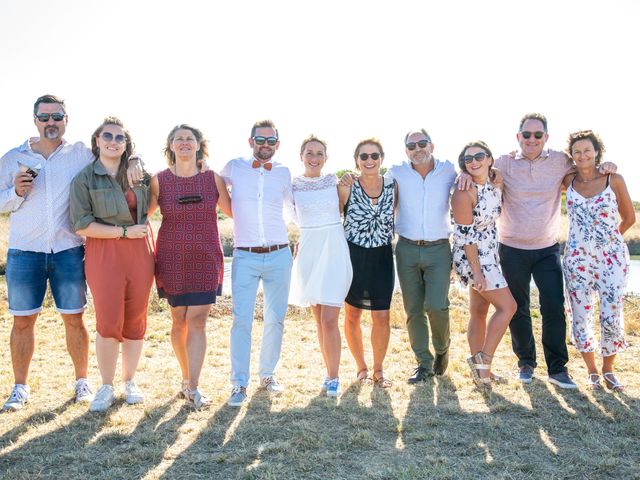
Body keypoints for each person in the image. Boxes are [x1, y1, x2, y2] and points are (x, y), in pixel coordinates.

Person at [474, 112, 617, 388]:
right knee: (518, 308)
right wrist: (466, 178)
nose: (532, 139)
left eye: (538, 135)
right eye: (526, 135)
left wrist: (605, 165)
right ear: (519, 137)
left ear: (546, 138)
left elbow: (586, 172)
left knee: (553, 305)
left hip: (547, 249)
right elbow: (480, 172)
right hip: (511, 247)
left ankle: (557, 369)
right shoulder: (503, 162)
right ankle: (525, 363)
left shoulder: (560, 161)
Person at [0, 94, 97, 411]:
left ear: (67, 119)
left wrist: (135, 161)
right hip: (24, 251)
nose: (51, 123)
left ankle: (82, 383)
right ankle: (19, 388)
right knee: (23, 322)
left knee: (74, 319)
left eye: (57, 117)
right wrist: (15, 191)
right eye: (45, 117)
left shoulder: (81, 154)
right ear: (35, 120)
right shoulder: (13, 158)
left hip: (67, 250)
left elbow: (116, 154)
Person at [70, 117, 154, 412]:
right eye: (108, 136)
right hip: (104, 252)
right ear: (97, 140)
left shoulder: (139, 174)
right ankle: (105, 386)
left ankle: (129, 381)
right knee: (108, 321)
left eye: (120, 138)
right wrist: (121, 232)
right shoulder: (84, 178)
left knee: (135, 319)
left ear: (126, 144)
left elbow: (164, 186)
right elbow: (81, 225)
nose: (113, 141)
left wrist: (138, 158)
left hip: (140, 253)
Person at [150, 124, 231, 408]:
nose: (184, 142)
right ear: (171, 146)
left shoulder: (213, 178)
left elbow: (234, 211)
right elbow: (141, 215)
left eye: (190, 139)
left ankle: (194, 387)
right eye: (178, 139)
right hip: (172, 259)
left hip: (206, 258)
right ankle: (185, 379)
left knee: (197, 321)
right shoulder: (158, 181)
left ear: (199, 145)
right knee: (178, 321)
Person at [221, 120, 293, 407]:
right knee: (241, 320)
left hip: (279, 254)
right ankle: (239, 383)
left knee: (275, 319)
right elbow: (210, 183)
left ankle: (268, 375)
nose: (265, 145)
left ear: (277, 143)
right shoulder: (233, 167)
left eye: (270, 140)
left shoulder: (284, 173)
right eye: (260, 140)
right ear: (250, 141)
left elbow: (295, 207)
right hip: (245, 255)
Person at [562, 130, 634, 392]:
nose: (583, 155)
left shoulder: (613, 179)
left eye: (587, 150)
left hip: (611, 259)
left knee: (610, 313)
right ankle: (591, 371)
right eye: (577, 151)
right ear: (572, 156)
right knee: (580, 315)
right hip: (576, 259)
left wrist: (608, 244)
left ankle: (608, 369)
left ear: (596, 152)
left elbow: (629, 218)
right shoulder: (567, 181)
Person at [388, 130, 457, 383]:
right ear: (406, 150)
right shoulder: (396, 172)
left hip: (439, 248)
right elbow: (375, 190)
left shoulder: (449, 171)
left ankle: (442, 349)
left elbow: (474, 179)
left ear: (432, 145)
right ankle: (423, 363)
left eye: (421, 143)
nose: (417, 149)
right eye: (411, 145)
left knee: (436, 305)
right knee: (413, 309)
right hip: (405, 248)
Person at [289, 135, 352, 397]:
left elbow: (344, 206)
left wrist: (347, 185)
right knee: (318, 318)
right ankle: (327, 374)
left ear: (326, 158)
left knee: (329, 318)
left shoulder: (335, 181)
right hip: (309, 249)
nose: (314, 158)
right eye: (309, 153)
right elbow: (290, 215)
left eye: (319, 153)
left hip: (334, 246)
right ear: (301, 156)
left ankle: (335, 376)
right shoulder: (292, 185)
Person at [451, 141, 516, 388]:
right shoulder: (462, 193)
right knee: (508, 306)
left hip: (491, 252)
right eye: (468, 159)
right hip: (473, 257)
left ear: (489, 159)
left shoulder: (494, 183)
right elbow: (465, 237)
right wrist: (476, 272)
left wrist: (496, 175)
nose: (474, 161)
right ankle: (483, 363)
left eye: (479, 156)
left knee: (479, 311)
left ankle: (482, 373)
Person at [338, 138, 396, 388]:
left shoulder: (393, 187)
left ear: (382, 159)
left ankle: (379, 370)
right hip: (353, 256)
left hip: (382, 256)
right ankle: (361, 368)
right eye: (364, 156)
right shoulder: (347, 186)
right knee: (353, 313)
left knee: (382, 316)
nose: (369, 160)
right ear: (356, 161)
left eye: (374, 156)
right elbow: (332, 218)